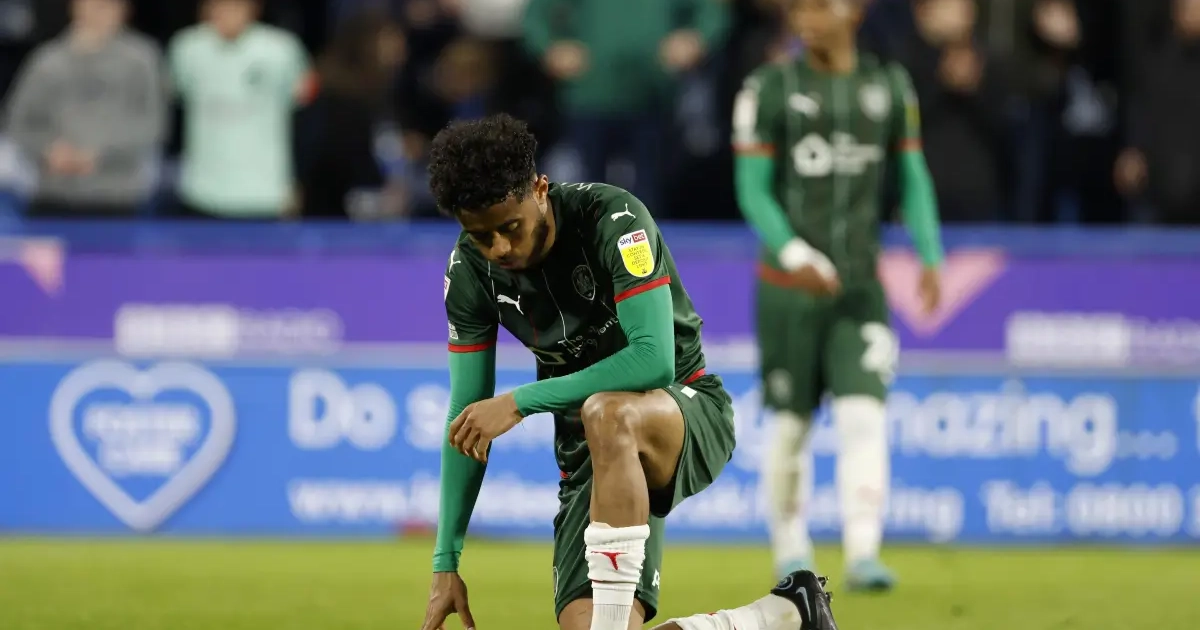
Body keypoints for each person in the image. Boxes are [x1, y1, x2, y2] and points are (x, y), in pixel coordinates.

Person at [420, 114, 840, 630]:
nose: (500, 249)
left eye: (511, 227)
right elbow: (465, 420)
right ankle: (783, 614)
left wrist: (520, 401)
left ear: (540, 190)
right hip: (586, 454)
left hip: (682, 407)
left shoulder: (614, 219)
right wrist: (446, 562)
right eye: (482, 237)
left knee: (609, 413)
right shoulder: (468, 272)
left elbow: (653, 359)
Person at [732, 0, 945, 591]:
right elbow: (751, 189)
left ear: (854, 10)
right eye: (798, 6)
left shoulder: (890, 85)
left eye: (820, 4)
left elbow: (912, 175)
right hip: (788, 289)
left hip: (859, 286)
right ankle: (790, 551)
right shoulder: (767, 88)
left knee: (863, 414)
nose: (806, 16)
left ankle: (864, 553)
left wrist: (929, 252)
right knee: (790, 425)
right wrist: (795, 254)